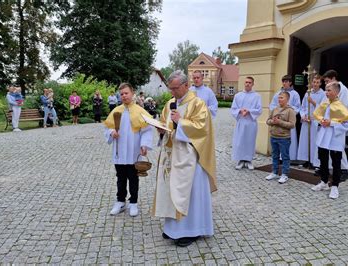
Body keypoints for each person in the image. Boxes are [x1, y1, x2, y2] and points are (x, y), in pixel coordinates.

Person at [152, 70, 217, 247]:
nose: (172, 92)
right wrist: (161, 129)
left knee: (190, 193)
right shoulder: (169, 104)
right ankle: (173, 229)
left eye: (175, 88)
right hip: (172, 156)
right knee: (171, 190)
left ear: (186, 85)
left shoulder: (198, 104)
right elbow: (166, 124)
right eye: (170, 89)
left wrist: (181, 122)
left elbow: (202, 129)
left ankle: (192, 230)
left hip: (190, 158)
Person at [104, 83, 153, 217]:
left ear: (132, 93)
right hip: (119, 151)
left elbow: (147, 130)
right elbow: (107, 128)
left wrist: (144, 145)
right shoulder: (116, 111)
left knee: (133, 178)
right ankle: (120, 201)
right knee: (120, 178)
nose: (124, 96)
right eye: (122, 94)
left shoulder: (140, 111)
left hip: (133, 151)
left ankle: (133, 203)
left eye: (126, 93)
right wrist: (111, 132)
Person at [311, 82, 348, 199]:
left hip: (335, 138)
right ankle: (324, 182)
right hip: (323, 137)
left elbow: (347, 124)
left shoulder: (341, 106)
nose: (326, 92)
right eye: (326, 90)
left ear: (336, 92)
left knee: (336, 163)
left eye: (329, 90)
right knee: (323, 160)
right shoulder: (325, 104)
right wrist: (322, 121)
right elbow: (317, 116)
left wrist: (332, 123)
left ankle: (335, 186)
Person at [320, 70, 348, 181]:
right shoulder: (327, 90)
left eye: (327, 81)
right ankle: (325, 170)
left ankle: (343, 170)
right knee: (327, 147)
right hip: (328, 122)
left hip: (338, 122)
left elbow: (343, 105)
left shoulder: (343, 89)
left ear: (333, 78)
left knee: (338, 147)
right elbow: (324, 103)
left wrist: (333, 120)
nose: (325, 84)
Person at [230, 76, 262, 170]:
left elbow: (259, 110)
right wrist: (240, 111)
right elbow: (233, 108)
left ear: (252, 84)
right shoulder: (238, 95)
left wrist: (249, 111)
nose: (247, 84)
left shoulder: (257, 96)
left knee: (249, 141)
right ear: (244, 83)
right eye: (246, 82)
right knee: (240, 141)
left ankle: (248, 160)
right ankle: (240, 160)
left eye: (249, 82)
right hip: (241, 121)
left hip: (251, 122)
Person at [265, 92, 296, 183]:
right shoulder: (275, 109)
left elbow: (292, 124)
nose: (279, 99)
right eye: (279, 98)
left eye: (281, 98)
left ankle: (284, 174)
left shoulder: (290, 111)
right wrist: (273, 122)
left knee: (285, 156)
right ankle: (274, 172)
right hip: (273, 136)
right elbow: (268, 121)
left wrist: (280, 122)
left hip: (284, 138)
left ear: (287, 99)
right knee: (275, 155)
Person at [269, 75, 301, 161]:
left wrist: (289, 110)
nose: (284, 83)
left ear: (290, 83)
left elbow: (298, 107)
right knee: (278, 138)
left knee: (288, 139)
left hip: (288, 119)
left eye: (286, 81)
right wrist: (276, 113)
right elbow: (272, 105)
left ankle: (289, 156)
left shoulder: (295, 94)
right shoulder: (278, 93)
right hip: (278, 119)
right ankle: (279, 157)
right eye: (283, 81)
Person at [297, 75, 325, 166]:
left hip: (315, 121)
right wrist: (303, 116)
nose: (315, 84)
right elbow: (303, 107)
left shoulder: (323, 94)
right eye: (314, 82)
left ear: (320, 83)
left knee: (314, 141)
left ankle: (314, 161)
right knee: (305, 140)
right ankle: (306, 159)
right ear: (311, 83)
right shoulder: (307, 93)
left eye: (317, 82)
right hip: (307, 120)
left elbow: (323, 108)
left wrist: (312, 102)